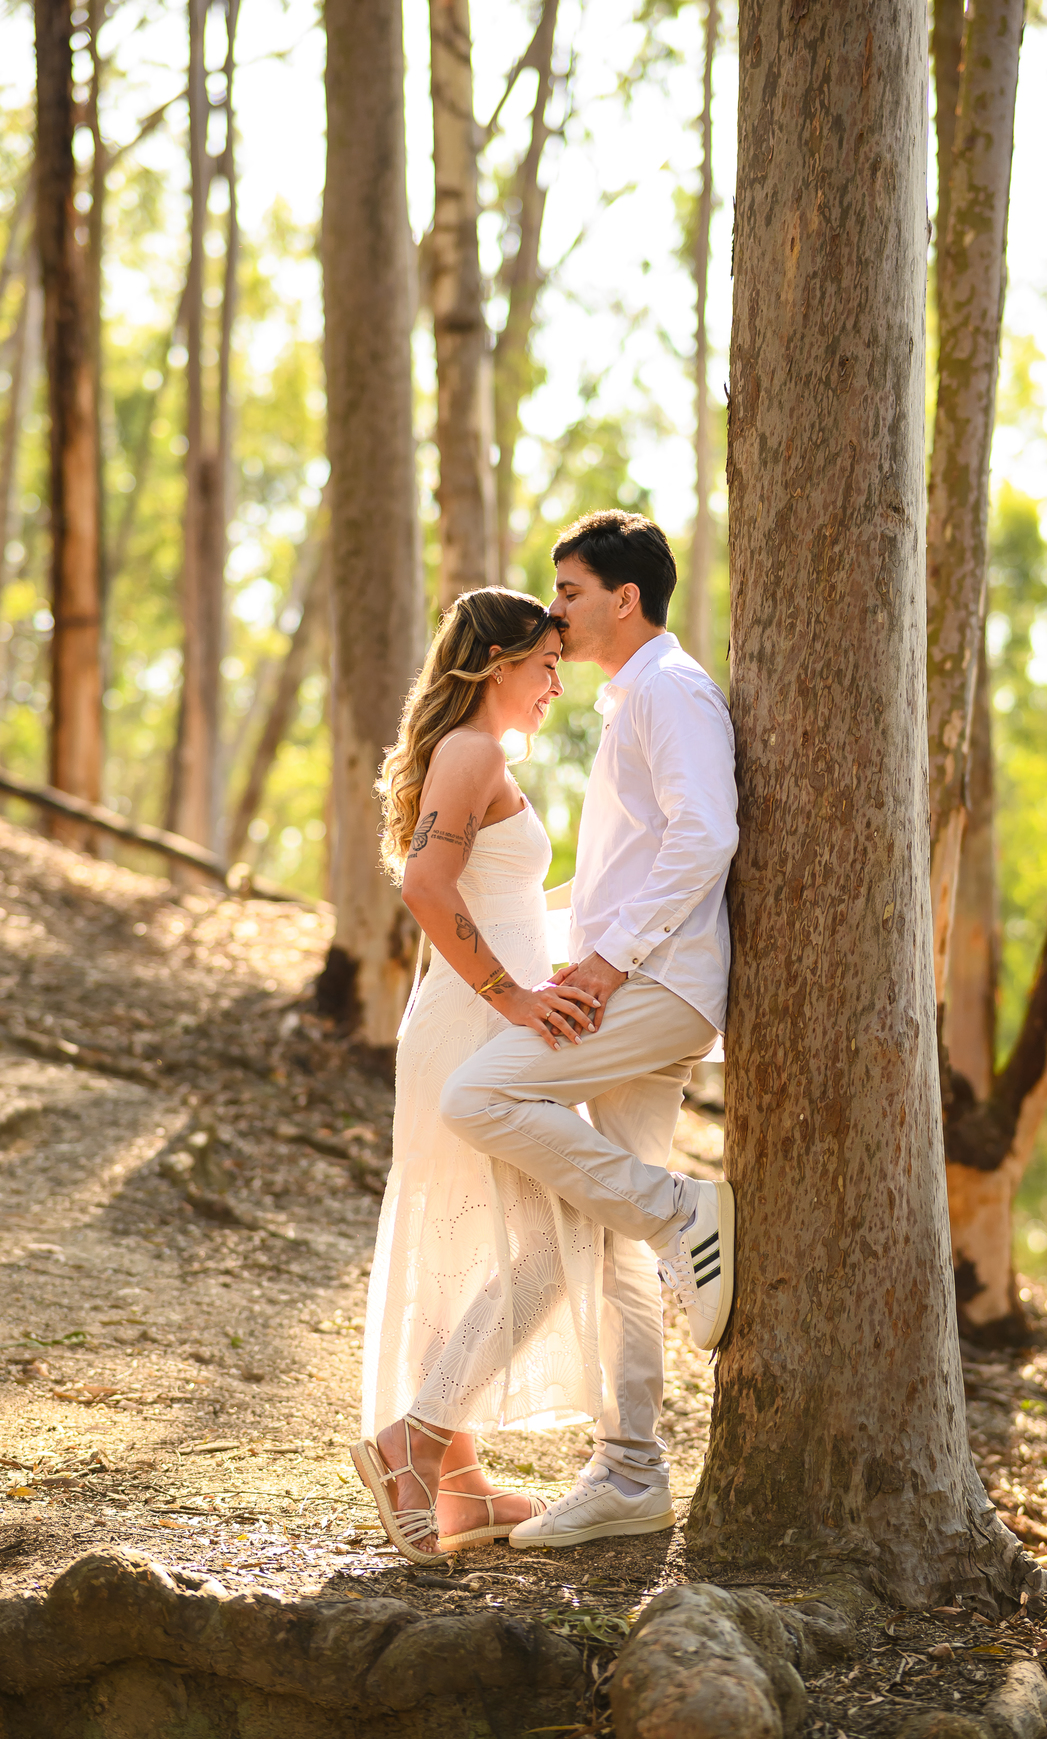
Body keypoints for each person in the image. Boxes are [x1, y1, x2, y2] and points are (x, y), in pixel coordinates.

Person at [440, 509, 739, 1551]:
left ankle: (682, 1211)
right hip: (629, 979)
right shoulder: (631, 701)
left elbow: (708, 833)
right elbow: (631, 865)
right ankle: (631, 1470)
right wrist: (569, 940)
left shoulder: (671, 689)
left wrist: (609, 963)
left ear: (625, 595)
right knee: (612, 1234)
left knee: (479, 1094)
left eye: (568, 591)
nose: (555, 609)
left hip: (658, 987)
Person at [354, 588, 605, 1561]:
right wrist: (515, 997)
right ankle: (412, 1441)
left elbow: (493, 894)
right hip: (475, 1026)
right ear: (495, 663)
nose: (553, 683)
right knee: (553, 1237)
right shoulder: (474, 751)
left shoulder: (471, 755)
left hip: (472, 1021)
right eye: (544, 663)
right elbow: (425, 883)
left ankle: (455, 1479)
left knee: (466, 1248)